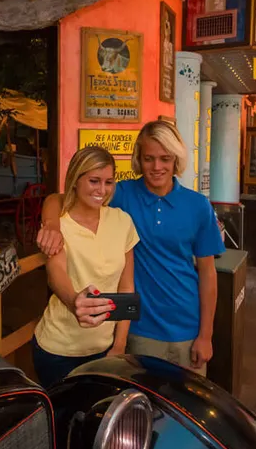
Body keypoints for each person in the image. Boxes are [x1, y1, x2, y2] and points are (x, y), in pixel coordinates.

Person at [37, 121, 224, 375]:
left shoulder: (198, 206)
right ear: (139, 158)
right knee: (137, 409)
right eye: (149, 158)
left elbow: (208, 274)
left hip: (186, 330)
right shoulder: (120, 193)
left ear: (176, 159)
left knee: (183, 410)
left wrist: (206, 334)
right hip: (137, 329)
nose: (157, 167)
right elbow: (61, 197)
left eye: (165, 158)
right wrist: (51, 224)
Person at [31, 146, 139, 386]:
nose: (102, 190)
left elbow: (127, 286)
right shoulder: (60, 224)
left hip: (105, 348)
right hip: (58, 349)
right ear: (75, 180)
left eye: (109, 182)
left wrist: (119, 344)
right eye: (94, 181)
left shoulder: (122, 221)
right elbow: (55, 272)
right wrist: (73, 301)